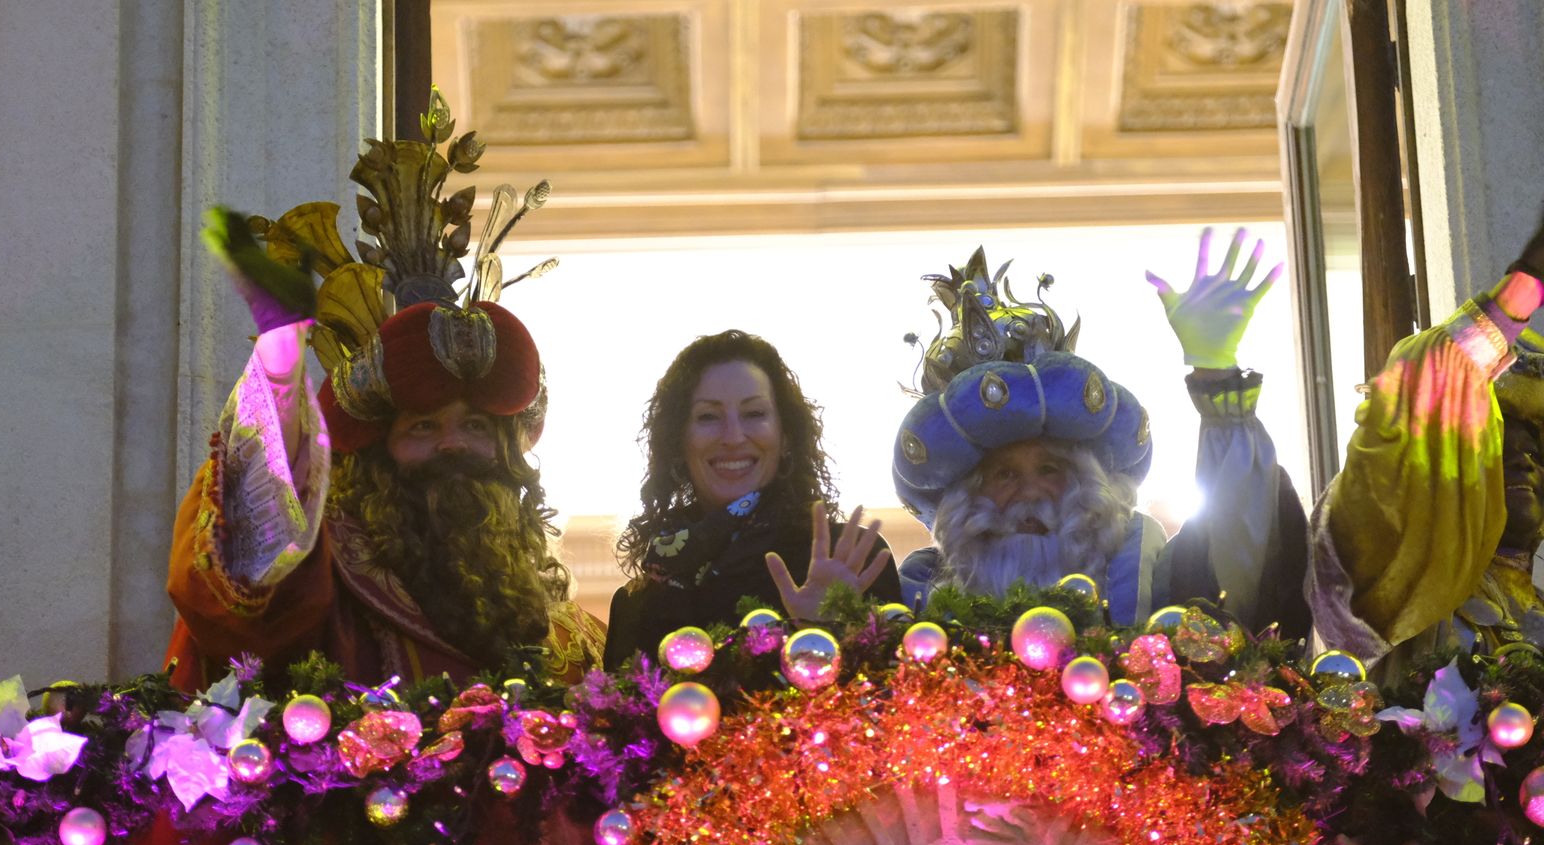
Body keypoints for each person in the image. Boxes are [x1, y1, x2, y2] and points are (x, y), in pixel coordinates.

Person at [163, 111, 603, 695]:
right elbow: (238, 591)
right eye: (422, 426)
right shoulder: (324, 589)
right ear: (376, 448)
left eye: (474, 424)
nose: (452, 444)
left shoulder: (573, 635)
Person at [894, 230, 1310, 634]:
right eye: (1004, 474)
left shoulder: (1152, 578)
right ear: (969, 501)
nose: (1031, 493)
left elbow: (1238, 547)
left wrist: (1215, 371)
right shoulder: (917, 598)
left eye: (1050, 469)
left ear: (1087, 484)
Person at [1307, 219, 1544, 674]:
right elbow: (1416, 397)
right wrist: (1525, 285)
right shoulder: (1402, 576)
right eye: (1502, 435)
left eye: (1537, 445)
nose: (1521, 458)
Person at [603, 330, 904, 667]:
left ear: (786, 436)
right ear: (678, 443)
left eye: (754, 414)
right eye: (708, 417)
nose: (733, 437)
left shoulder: (848, 560)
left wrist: (822, 631)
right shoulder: (637, 603)